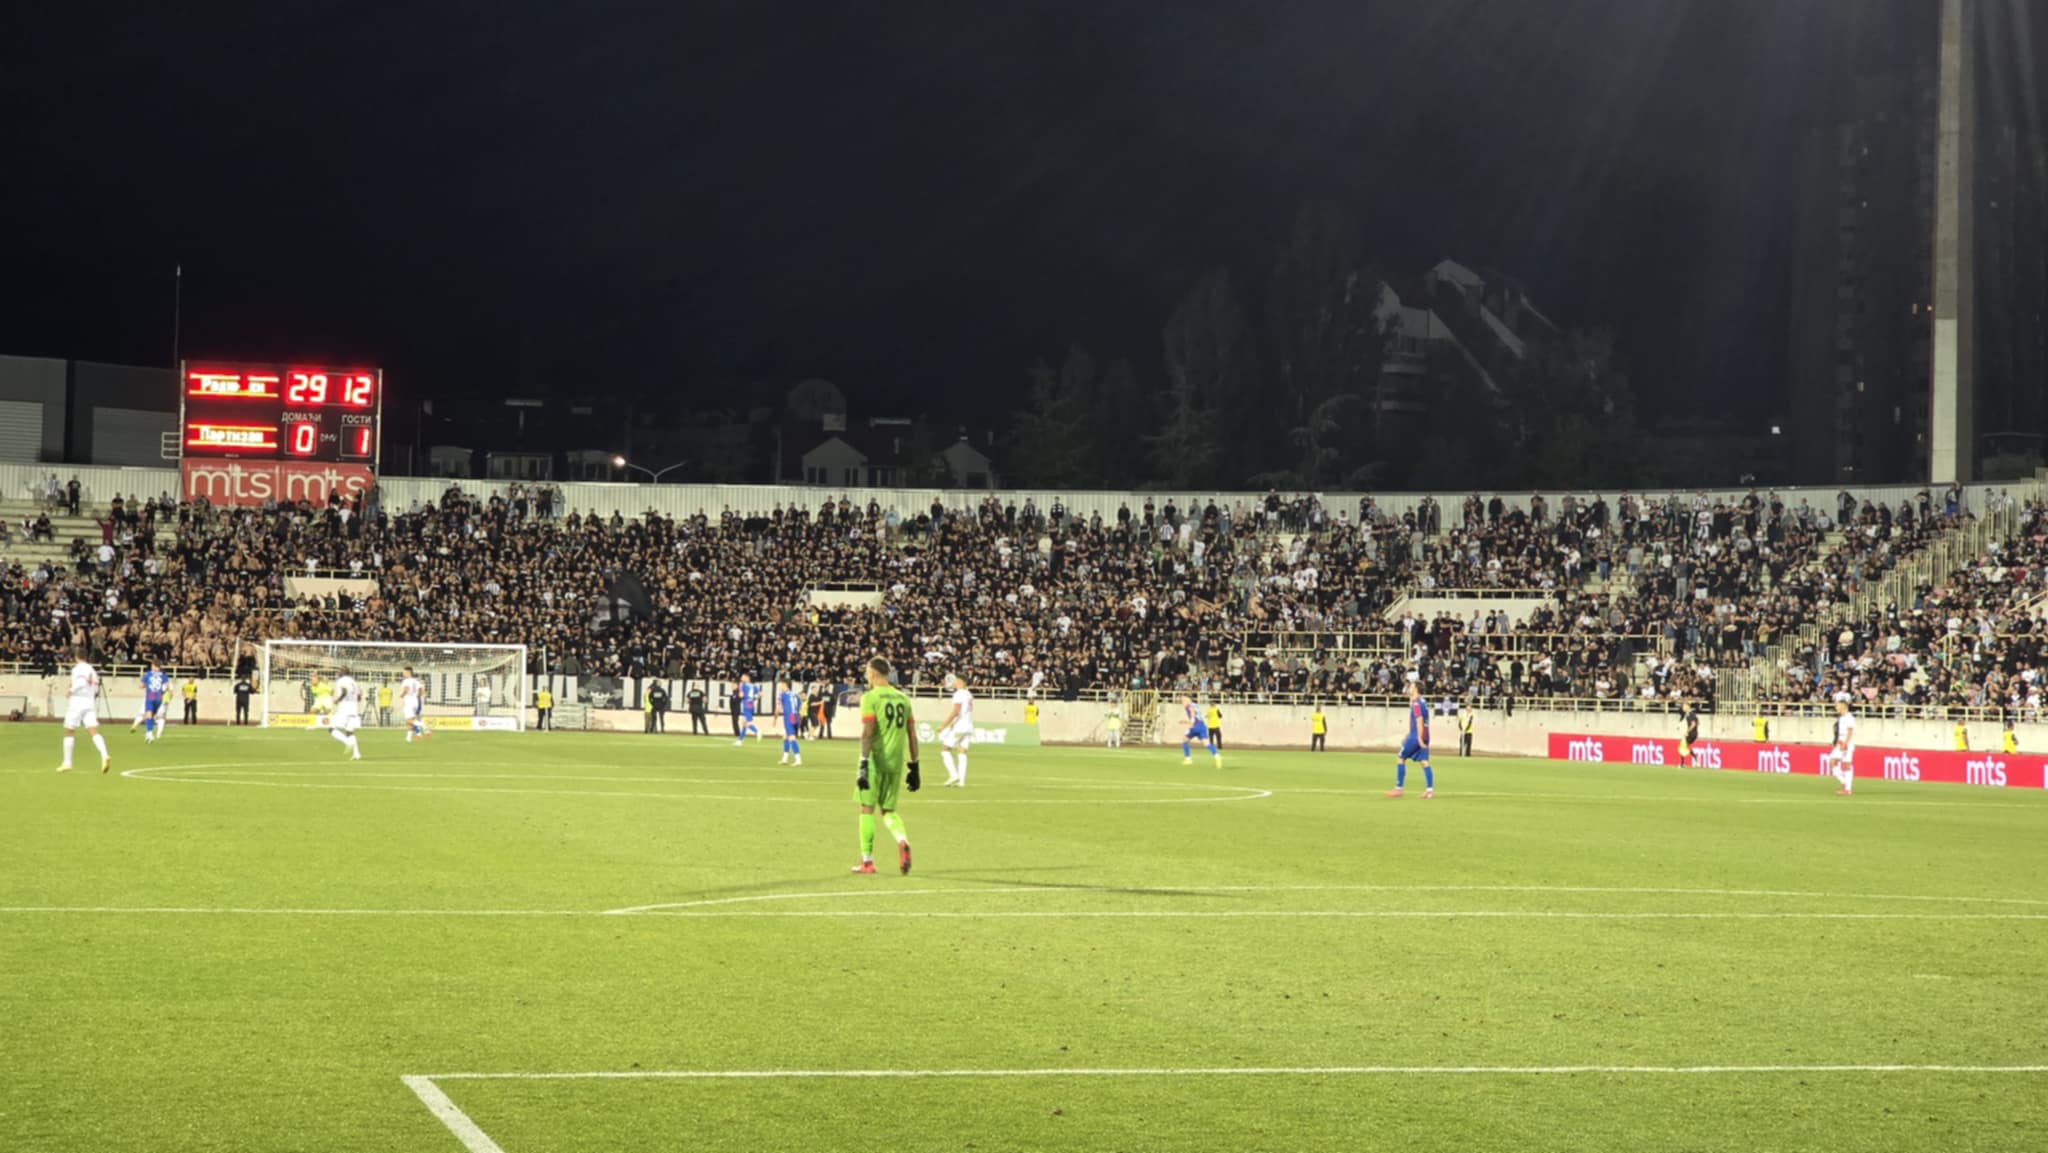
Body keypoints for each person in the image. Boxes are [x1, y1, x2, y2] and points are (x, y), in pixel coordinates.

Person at [852, 655, 919, 875]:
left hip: (874, 760)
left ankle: (867, 862)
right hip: (896, 762)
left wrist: (863, 763)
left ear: (872, 673)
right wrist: (915, 766)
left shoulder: (870, 698)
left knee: (866, 809)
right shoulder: (903, 698)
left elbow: (867, 733)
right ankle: (902, 840)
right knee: (889, 810)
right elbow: (912, 734)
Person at [58, 649, 112, 773]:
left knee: (69, 731)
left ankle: (67, 763)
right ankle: (104, 754)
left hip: (77, 702)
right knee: (93, 731)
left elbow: (81, 682)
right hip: (89, 702)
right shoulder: (92, 670)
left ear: (76, 657)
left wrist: (70, 690)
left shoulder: (77, 669)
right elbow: (96, 688)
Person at [1388, 673, 1433, 799]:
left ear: (1416, 689)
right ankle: (1429, 791)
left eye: (1411, 687)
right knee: (1424, 762)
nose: (1409, 688)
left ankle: (1399, 789)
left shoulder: (1416, 703)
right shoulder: (1423, 702)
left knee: (1400, 757)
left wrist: (1417, 738)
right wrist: (1409, 735)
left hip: (1417, 736)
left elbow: (1419, 720)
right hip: (1425, 735)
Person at [936, 674, 975, 787]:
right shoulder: (968, 694)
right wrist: (953, 724)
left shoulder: (958, 694)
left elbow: (955, 711)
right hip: (968, 726)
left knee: (945, 749)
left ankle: (953, 775)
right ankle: (961, 781)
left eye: (955, 680)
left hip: (960, 727)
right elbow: (965, 711)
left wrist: (943, 725)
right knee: (962, 751)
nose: (953, 682)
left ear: (960, 681)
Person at [329, 667, 363, 760]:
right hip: (354, 708)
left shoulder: (342, 680)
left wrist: (338, 700)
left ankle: (347, 742)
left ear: (343, 672)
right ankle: (356, 754)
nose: (338, 673)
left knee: (331, 729)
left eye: (339, 671)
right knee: (349, 732)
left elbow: (344, 691)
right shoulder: (354, 682)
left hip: (345, 708)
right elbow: (359, 697)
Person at [1827, 692, 1856, 796]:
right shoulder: (1842, 718)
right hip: (1840, 742)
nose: (1836, 707)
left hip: (1846, 743)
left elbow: (1850, 731)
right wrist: (1836, 742)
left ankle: (1847, 789)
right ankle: (1844, 782)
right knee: (1832, 762)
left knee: (1846, 765)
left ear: (1843, 706)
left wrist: (1846, 743)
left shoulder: (1849, 717)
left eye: (1837, 705)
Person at [1179, 695, 1220, 768]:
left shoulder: (1189, 705)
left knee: (1185, 740)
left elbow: (1192, 712)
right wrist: (1185, 721)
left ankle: (1188, 759)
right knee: (1206, 743)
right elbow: (1197, 716)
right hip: (1202, 726)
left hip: (1195, 726)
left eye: (1183, 701)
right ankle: (1217, 756)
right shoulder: (1195, 705)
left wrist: (1191, 721)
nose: (1182, 703)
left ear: (1188, 700)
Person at [134, 662, 170, 743]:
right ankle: (149, 734)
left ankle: (149, 734)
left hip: (150, 696)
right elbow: (167, 687)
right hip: (159, 698)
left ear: (153, 666)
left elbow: (141, 686)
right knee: (152, 715)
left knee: (148, 715)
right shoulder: (163, 675)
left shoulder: (148, 674)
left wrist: (147, 685)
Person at [400, 666, 429, 742]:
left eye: (404, 672)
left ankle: (423, 726)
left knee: (408, 720)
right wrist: (417, 696)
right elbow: (422, 690)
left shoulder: (406, 681)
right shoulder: (416, 681)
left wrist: (401, 695)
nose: (403, 673)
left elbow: (406, 689)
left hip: (409, 702)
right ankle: (408, 738)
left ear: (408, 672)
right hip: (415, 702)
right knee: (411, 720)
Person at [777, 680, 803, 765]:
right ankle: (785, 759)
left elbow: (778, 708)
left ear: (785, 685)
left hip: (789, 716)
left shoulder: (782, 694)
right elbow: (800, 707)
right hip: (796, 716)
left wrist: (775, 718)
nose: (779, 686)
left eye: (781, 684)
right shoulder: (795, 694)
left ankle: (798, 760)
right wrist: (800, 717)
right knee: (785, 737)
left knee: (791, 738)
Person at [734, 675, 761, 746]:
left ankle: (757, 731)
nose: (741, 678)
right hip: (751, 704)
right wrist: (755, 698)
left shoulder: (742, 685)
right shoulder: (754, 685)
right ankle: (740, 740)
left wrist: (739, 692)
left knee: (746, 723)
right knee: (744, 723)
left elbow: (741, 695)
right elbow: (760, 694)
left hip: (746, 704)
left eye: (743, 677)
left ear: (747, 678)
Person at [1677, 702, 1701, 767]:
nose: (1683, 708)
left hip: (1691, 733)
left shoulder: (1690, 714)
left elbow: (1693, 724)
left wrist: (1687, 731)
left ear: (1688, 706)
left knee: (1683, 746)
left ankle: (1683, 763)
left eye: (1684, 706)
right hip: (1694, 733)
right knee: (1684, 746)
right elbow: (1698, 723)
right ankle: (1695, 759)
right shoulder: (1692, 713)